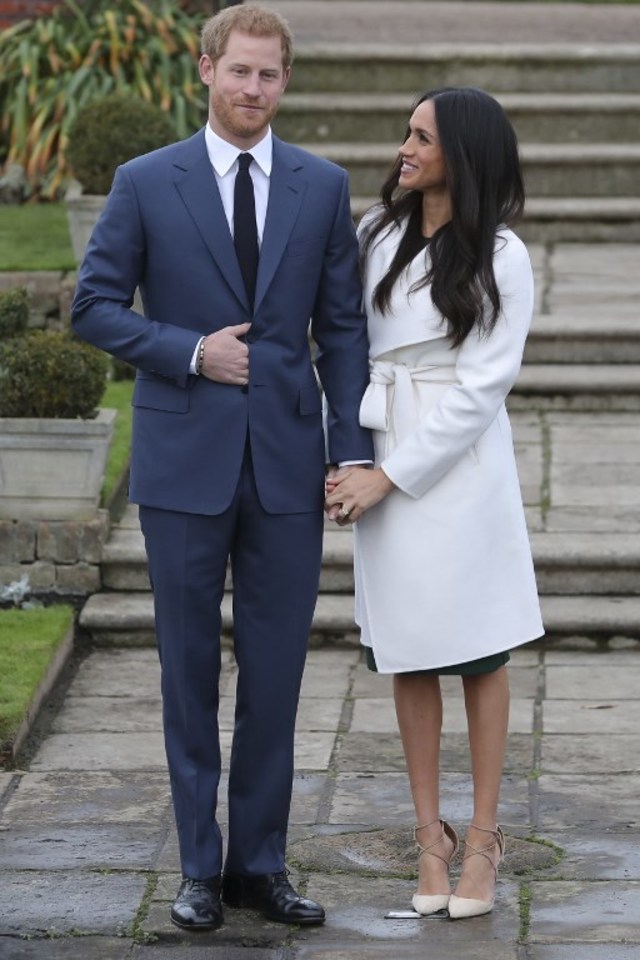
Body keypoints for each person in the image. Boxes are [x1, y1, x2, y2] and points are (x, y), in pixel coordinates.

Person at [72, 3, 373, 931]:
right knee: (188, 671)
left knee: (277, 676)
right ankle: (198, 867)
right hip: (182, 463)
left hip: (287, 464)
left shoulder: (322, 186)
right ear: (205, 70)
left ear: (286, 82)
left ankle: (260, 865)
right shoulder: (144, 180)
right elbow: (92, 307)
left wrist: (352, 449)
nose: (252, 89)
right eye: (238, 71)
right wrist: (191, 351)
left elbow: (345, 328)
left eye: (269, 75)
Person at [325, 87, 544, 921]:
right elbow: (345, 347)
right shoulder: (376, 233)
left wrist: (391, 475)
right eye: (406, 132)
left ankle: (484, 838)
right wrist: (348, 459)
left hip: (460, 467)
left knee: (482, 650)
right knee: (408, 651)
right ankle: (430, 837)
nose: (403, 147)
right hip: (381, 440)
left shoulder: (503, 253)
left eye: (421, 136)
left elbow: (483, 387)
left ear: (464, 152)